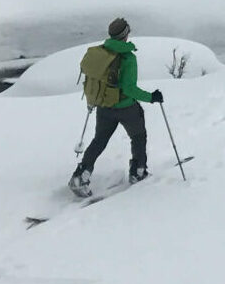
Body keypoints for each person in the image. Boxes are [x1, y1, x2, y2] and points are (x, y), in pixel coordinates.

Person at [68, 18, 163, 198]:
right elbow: (129, 89)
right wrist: (152, 97)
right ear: (126, 34)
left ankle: (80, 175)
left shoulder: (101, 53)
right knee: (138, 136)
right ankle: (138, 172)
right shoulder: (128, 58)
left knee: (99, 140)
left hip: (104, 107)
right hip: (126, 107)